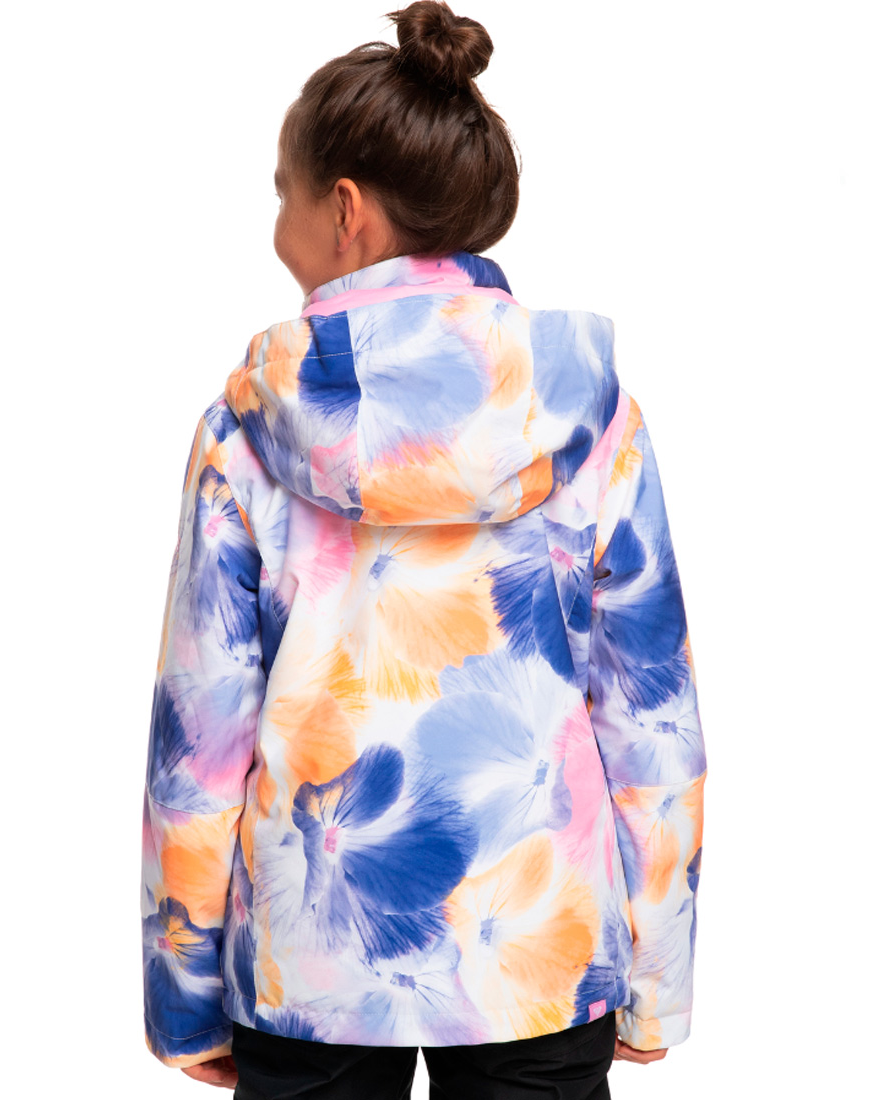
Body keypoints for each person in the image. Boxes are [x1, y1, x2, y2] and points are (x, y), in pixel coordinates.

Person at [141, 3, 706, 1097]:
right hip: (540, 947)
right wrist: (659, 974)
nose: (277, 224)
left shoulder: (244, 430)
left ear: (345, 210)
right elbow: (652, 718)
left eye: (283, 193)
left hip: (307, 957)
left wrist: (186, 990)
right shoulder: (591, 417)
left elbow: (198, 745)